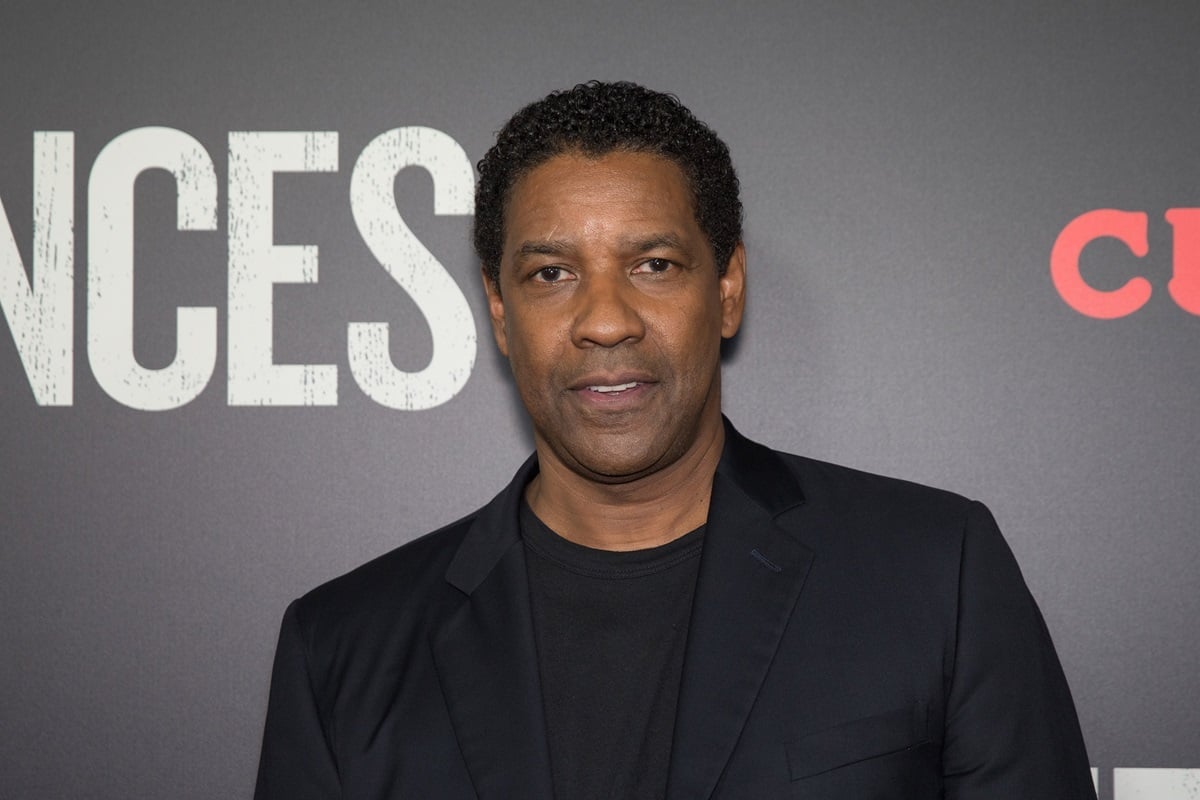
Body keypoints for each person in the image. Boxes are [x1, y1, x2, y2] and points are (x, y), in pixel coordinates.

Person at [254, 81, 1097, 799]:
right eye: (552, 274)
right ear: (501, 313)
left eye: (653, 264)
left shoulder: (935, 573)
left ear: (726, 289)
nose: (606, 320)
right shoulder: (344, 647)